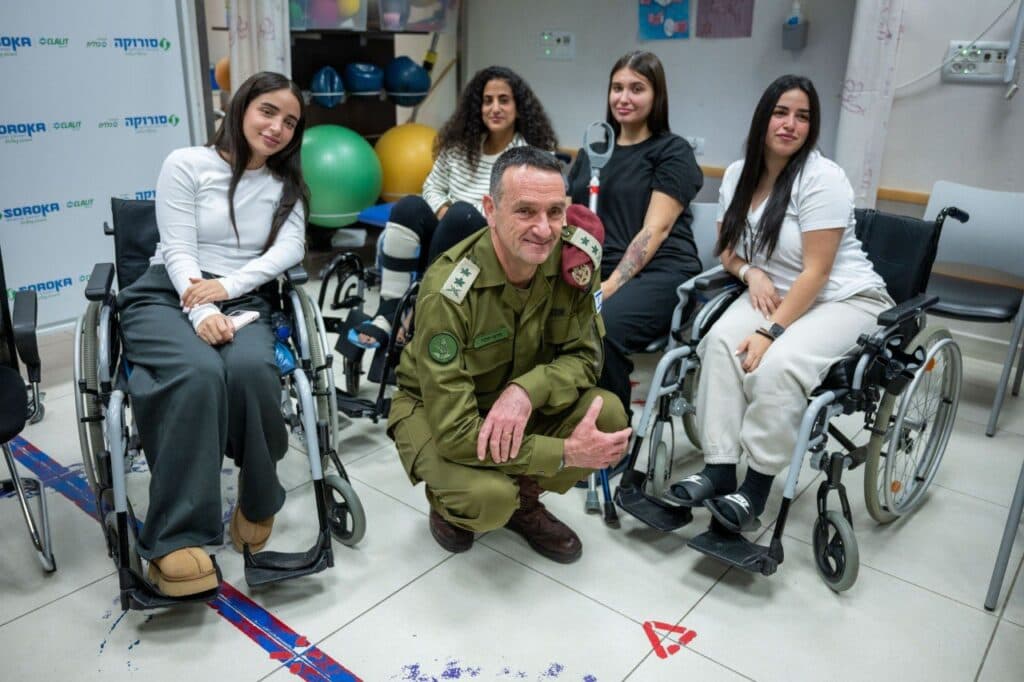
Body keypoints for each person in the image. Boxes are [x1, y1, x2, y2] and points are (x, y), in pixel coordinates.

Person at [668, 74, 895, 533]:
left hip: (843, 298)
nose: (790, 124)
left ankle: (755, 487)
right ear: (763, 117)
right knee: (717, 345)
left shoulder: (822, 178)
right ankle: (719, 468)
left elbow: (817, 272)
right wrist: (752, 272)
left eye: (803, 116)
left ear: (812, 127)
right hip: (777, 291)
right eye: (781, 112)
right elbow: (728, 251)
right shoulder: (737, 173)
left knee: (777, 365)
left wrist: (770, 332)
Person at [388, 146, 632, 563]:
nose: (544, 229)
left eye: (555, 212)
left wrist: (526, 390)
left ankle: (526, 500)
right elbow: (455, 431)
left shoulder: (574, 265)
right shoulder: (450, 290)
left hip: (514, 401)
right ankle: (452, 503)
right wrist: (565, 455)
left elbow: (587, 358)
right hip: (436, 410)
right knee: (487, 499)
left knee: (606, 414)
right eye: (525, 212)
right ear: (491, 209)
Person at [117, 72, 308, 596]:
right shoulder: (186, 164)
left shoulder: (285, 188)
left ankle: (258, 499)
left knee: (250, 371)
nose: (277, 127)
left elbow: (286, 253)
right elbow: (177, 248)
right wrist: (200, 309)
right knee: (198, 373)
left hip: (242, 296)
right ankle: (175, 538)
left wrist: (226, 288)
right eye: (268, 111)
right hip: (166, 291)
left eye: (290, 121)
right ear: (241, 106)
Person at [351, 65, 557, 348]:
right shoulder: (461, 146)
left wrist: (457, 214)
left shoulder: (530, 157)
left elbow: (523, 208)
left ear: (519, 108)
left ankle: (422, 310)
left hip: (491, 242)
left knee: (462, 215)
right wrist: (442, 210)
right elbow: (432, 186)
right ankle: (389, 312)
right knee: (408, 206)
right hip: (448, 230)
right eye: (487, 101)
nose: (494, 108)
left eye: (504, 100)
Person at [566, 50, 704, 420]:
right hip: (596, 271)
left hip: (660, 273)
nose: (623, 98)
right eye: (617, 88)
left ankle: (613, 430)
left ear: (656, 96)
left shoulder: (672, 152)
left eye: (637, 88)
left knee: (599, 325)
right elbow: (566, 214)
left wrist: (608, 286)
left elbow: (654, 230)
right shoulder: (590, 153)